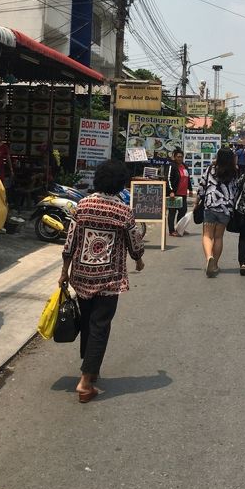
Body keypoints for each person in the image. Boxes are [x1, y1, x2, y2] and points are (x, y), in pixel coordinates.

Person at [58, 160, 145, 403]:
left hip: (82, 275)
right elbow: (134, 243)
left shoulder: (83, 205)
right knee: (100, 325)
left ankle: (90, 368)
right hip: (109, 278)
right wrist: (139, 260)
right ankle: (86, 382)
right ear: (121, 183)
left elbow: (70, 241)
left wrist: (64, 271)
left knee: (88, 323)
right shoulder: (123, 211)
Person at [195, 147, 238, 277]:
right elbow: (236, 190)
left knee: (207, 235)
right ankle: (215, 264)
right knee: (218, 237)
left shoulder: (210, 169)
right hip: (225, 208)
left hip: (210, 206)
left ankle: (209, 258)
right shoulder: (234, 172)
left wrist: (196, 203)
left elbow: (202, 186)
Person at [166, 148, 193, 237]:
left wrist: (190, 189)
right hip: (174, 194)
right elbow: (168, 179)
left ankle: (179, 229)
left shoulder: (184, 166)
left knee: (183, 211)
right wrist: (171, 191)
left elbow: (187, 178)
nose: (180, 158)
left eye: (181, 157)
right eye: (178, 157)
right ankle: (171, 231)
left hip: (183, 193)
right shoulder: (171, 166)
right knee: (172, 212)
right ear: (174, 157)